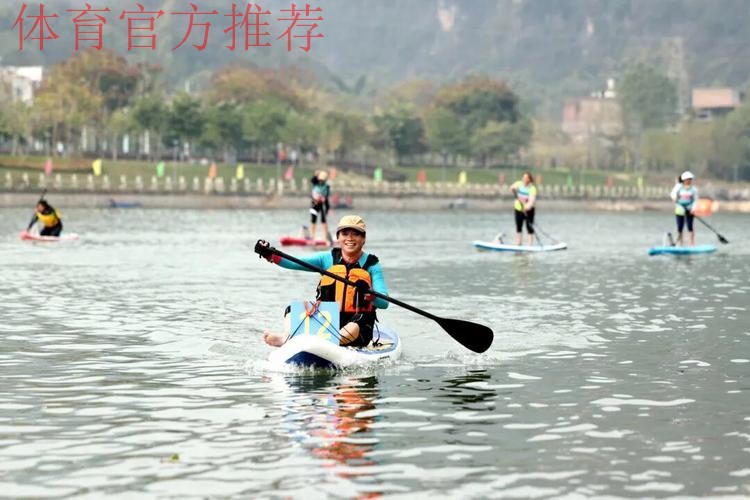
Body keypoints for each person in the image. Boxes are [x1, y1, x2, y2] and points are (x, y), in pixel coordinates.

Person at [257, 215, 389, 348]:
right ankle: (285, 338)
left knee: (358, 322)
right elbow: (295, 262)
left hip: (357, 329)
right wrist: (270, 254)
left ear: (364, 239)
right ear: (338, 237)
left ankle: (328, 341)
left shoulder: (372, 265)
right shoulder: (327, 259)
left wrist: (371, 294)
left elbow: (384, 303)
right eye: (345, 234)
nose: (350, 238)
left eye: (356, 234)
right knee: (292, 309)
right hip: (328, 321)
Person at [670, 170, 699, 246]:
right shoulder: (678, 187)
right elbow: (673, 195)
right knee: (680, 228)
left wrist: (693, 209)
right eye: (688, 179)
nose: (689, 181)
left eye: (690, 179)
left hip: (689, 210)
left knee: (690, 228)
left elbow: (695, 200)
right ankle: (680, 244)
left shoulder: (694, 189)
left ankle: (691, 244)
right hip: (680, 210)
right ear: (684, 180)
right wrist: (674, 198)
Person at [510, 171, 537, 246]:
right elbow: (512, 187)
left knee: (529, 228)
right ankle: (519, 243)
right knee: (519, 227)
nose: (524, 179)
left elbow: (531, 201)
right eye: (523, 177)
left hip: (529, 211)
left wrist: (527, 207)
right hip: (518, 209)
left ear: (529, 179)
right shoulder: (519, 184)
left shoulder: (532, 188)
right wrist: (513, 189)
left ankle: (530, 245)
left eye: (526, 178)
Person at [309, 170, 332, 244]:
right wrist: (316, 174)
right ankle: (312, 237)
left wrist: (327, 208)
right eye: (320, 179)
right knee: (313, 219)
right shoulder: (315, 183)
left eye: (322, 180)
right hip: (314, 204)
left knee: (323, 221)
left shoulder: (327, 186)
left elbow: (327, 198)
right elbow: (312, 179)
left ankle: (325, 238)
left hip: (322, 205)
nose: (321, 181)